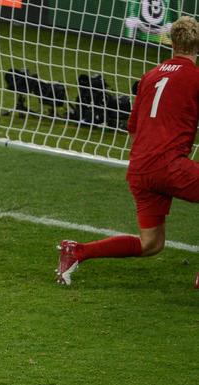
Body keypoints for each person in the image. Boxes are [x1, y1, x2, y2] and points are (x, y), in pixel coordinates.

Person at [57, 16, 199, 286]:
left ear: (172, 43)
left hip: (140, 167)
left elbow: (132, 129)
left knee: (151, 243)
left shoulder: (150, 76)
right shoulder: (195, 78)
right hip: (169, 165)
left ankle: (77, 251)